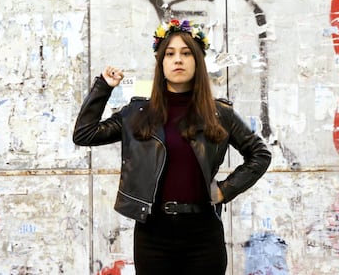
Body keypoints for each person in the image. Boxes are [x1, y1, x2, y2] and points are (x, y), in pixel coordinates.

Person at [73, 19, 272, 275]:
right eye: (170, 54)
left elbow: (260, 154)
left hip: (203, 234)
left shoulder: (219, 113)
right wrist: (103, 87)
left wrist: (225, 190)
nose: (178, 60)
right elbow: (84, 134)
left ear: (198, 61)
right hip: (153, 235)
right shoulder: (138, 113)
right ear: (161, 62)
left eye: (186, 53)